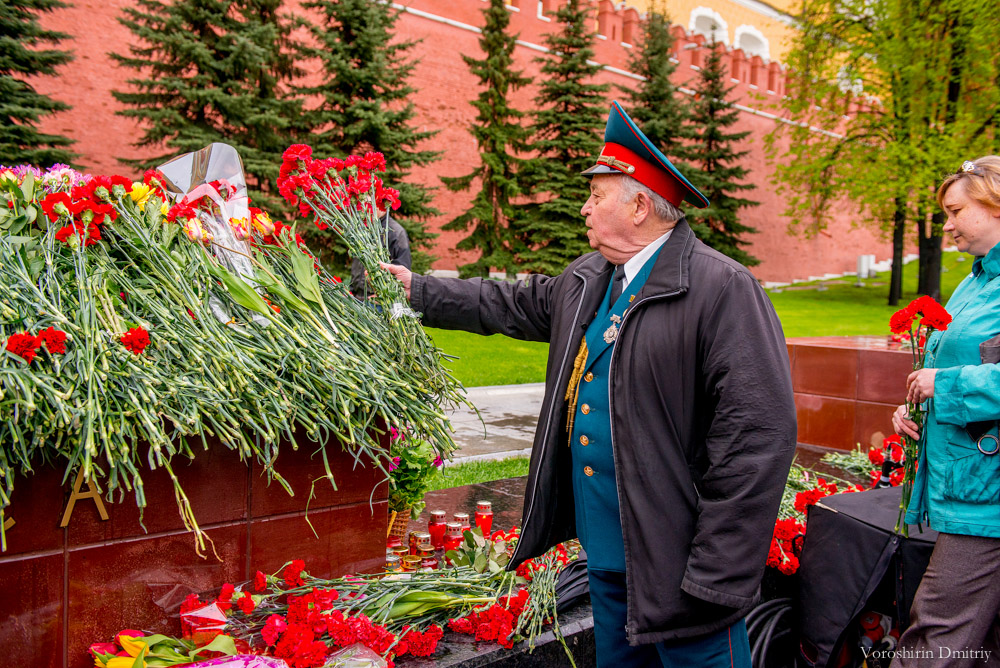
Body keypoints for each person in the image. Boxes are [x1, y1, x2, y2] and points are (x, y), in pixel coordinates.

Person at [382, 101, 797, 667]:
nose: (584, 208)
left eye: (597, 196)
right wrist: (416, 289)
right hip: (608, 553)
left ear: (640, 205)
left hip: (683, 567)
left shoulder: (720, 288)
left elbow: (757, 437)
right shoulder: (588, 278)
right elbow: (510, 302)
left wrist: (716, 575)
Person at [891, 156, 1000, 668]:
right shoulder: (975, 281)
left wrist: (945, 385)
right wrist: (915, 406)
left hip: (989, 499)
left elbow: (955, 378)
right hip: (969, 483)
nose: (947, 226)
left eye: (955, 211)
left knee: (934, 641)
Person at [350, 207, 411, 300]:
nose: (365, 208)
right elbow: (357, 264)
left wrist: (385, 294)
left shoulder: (396, 232)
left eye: (370, 204)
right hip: (358, 297)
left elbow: (403, 267)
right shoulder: (363, 228)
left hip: (379, 301)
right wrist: (351, 290)